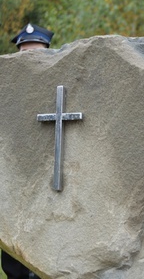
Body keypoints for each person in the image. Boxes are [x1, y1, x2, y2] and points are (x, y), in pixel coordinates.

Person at [1, 23, 52, 279]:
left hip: (50, 180)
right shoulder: (6, 86)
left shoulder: (59, 81)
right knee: (14, 265)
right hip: (14, 182)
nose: (30, 58)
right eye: (25, 53)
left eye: (37, 52)